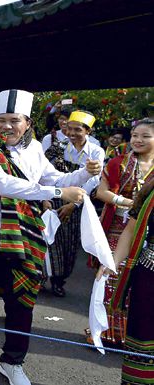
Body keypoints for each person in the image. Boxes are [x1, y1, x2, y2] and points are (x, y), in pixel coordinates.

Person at [0, 89, 101, 385]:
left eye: (13, 120)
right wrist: (58, 193)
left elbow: (55, 177)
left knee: (21, 304)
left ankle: (13, 361)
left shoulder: (34, 151)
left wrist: (83, 174)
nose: (7, 126)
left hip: (22, 236)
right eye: (1, 120)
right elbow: (7, 186)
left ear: (27, 122)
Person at [92, 118, 154, 346]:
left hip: (150, 233)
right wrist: (127, 202)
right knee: (111, 276)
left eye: (145, 136)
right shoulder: (118, 163)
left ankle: (134, 333)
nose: (138, 140)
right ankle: (107, 330)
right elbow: (102, 192)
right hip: (120, 228)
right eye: (135, 135)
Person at [43, 110, 105, 297]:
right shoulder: (57, 147)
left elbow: (93, 180)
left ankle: (59, 280)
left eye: (77, 130)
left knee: (69, 244)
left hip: (78, 201)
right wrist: (44, 198)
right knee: (48, 240)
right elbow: (43, 174)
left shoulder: (96, 151)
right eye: (68, 129)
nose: (71, 133)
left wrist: (73, 204)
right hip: (53, 196)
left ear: (88, 131)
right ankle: (40, 277)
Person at [101, 173, 154, 384]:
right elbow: (131, 231)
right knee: (142, 342)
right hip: (149, 279)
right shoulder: (150, 191)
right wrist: (111, 263)